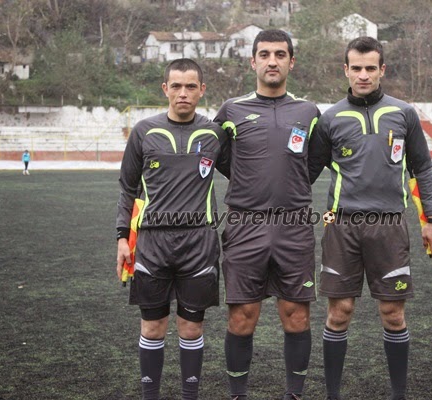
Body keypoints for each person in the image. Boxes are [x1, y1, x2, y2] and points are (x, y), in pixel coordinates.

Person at [308, 36, 432, 400]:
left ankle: (398, 394)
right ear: (346, 70)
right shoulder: (330, 119)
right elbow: (305, 174)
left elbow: (421, 167)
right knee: (339, 313)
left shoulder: (404, 114)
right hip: (341, 226)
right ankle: (332, 394)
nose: (363, 75)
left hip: (390, 225)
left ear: (382, 70)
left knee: (393, 313)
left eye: (370, 68)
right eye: (357, 68)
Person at [213, 29, 321, 400]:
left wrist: (289, 185)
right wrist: (250, 182)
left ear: (292, 61)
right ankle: (238, 394)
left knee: (296, 314)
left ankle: (294, 394)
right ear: (253, 61)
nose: (272, 61)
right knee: (242, 317)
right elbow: (218, 157)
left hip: (294, 225)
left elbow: (314, 161)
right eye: (264, 54)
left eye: (279, 54)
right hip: (245, 224)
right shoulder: (231, 109)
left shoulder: (308, 111)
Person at [115, 58, 226, 400]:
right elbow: (127, 188)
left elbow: (246, 173)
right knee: (153, 326)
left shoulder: (215, 134)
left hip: (199, 242)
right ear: (165, 89)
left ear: (202, 90)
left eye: (191, 86)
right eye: (176, 86)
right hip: (152, 243)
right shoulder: (144, 132)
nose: (183, 93)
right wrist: (122, 238)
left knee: (191, 328)